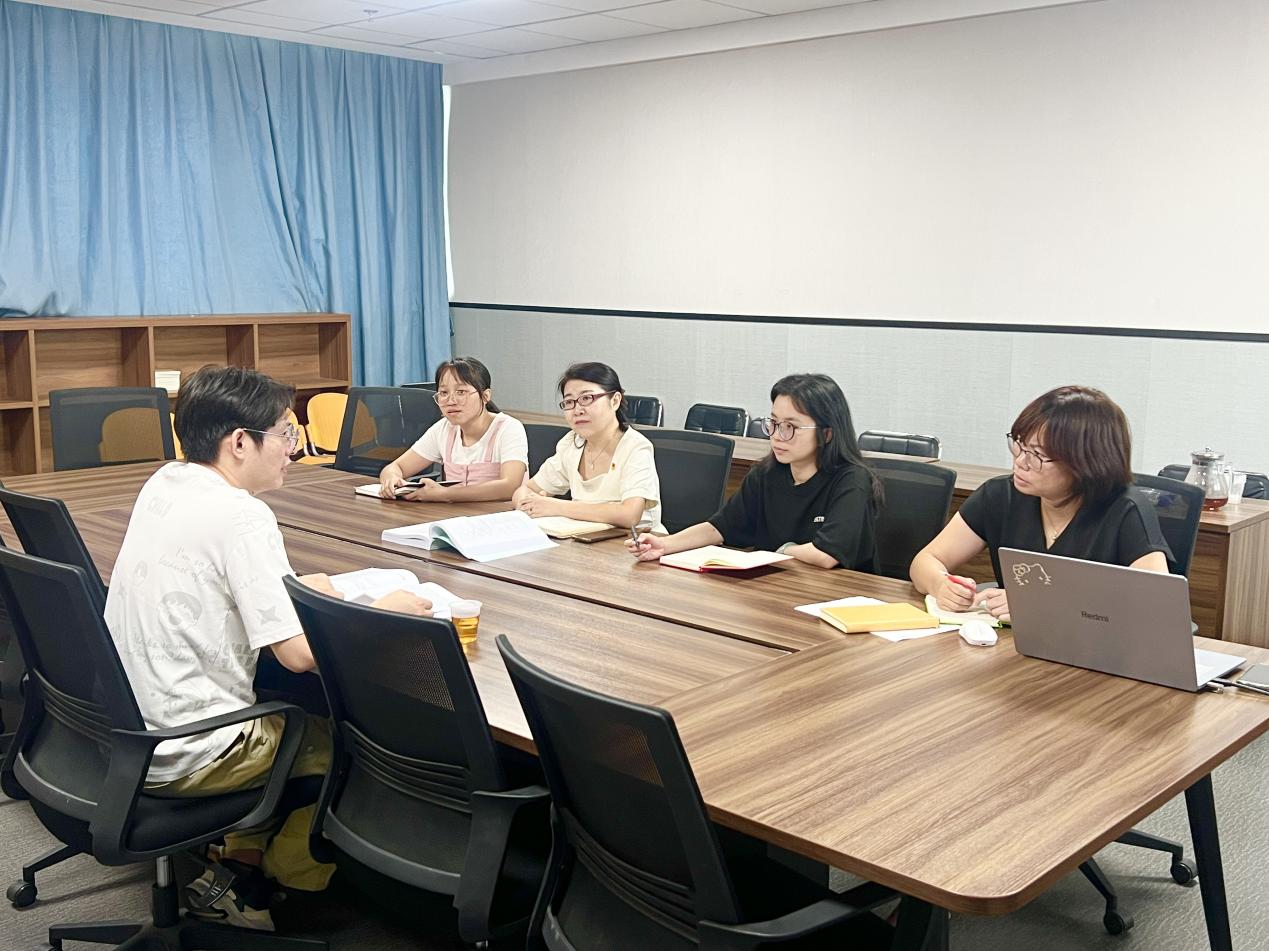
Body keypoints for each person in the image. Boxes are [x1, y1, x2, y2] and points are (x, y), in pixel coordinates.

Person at [104, 365, 430, 932]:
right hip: (192, 750)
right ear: (239, 442)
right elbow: (298, 656)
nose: (293, 447)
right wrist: (385, 610)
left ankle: (238, 863)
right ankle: (278, 879)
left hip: (128, 728)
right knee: (345, 745)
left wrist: (298, 590)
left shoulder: (168, 481)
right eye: (284, 433)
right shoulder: (242, 516)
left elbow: (215, 581)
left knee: (287, 712)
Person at [910, 385, 1171, 623]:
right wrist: (940, 584)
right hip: (1015, 647)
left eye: (1037, 455)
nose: (1020, 462)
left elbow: (1154, 606)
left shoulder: (1126, 511)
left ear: (1085, 462)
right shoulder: (1001, 495)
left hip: (1094, 650)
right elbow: (925, 560)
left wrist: (1040, 605)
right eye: (1019, 445)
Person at [628, 373, 880, 570]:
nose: (777, 436)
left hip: (840, 597)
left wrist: (781, 550)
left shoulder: (851, 480)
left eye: (790, 427)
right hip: (780, 586)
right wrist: (665, 544)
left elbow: (825, 555)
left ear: (827, 434)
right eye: (774, 423)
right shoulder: (766, 474)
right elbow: (719, 528)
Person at [512, 362, 664, 532]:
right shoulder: (572, 443)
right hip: (584, 538)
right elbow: (527, 489)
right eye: (569, 402)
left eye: (586, 398)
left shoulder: (636, 447)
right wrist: (525, 504)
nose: (577, 410)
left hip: (637, 542)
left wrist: (555, 506)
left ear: (615, 401)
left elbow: (629, 515)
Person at [378, 356, 528, 502]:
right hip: (454, 515)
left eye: (461, 392)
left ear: (485, 396)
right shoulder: (444, 428)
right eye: (444, 393)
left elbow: (510, 486)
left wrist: (445, 494)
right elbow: (396, 467)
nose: (451, 401)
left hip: (500, 515)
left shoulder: (509, 428)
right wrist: (392, 479)